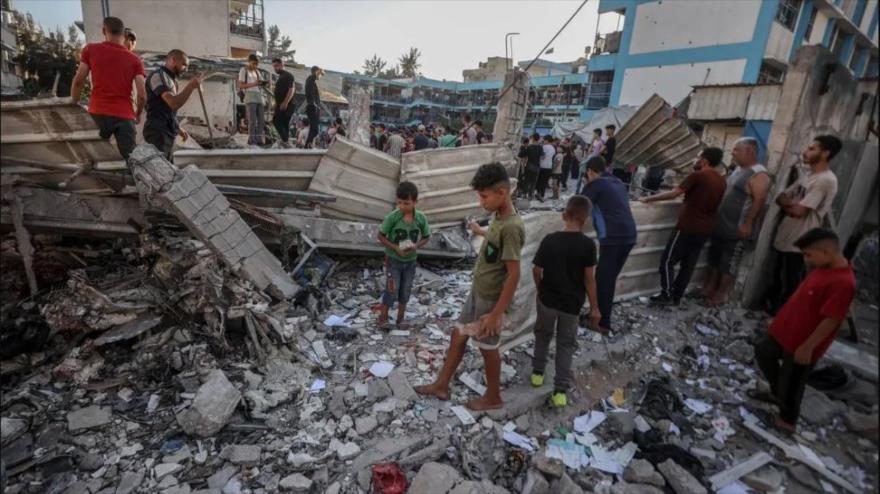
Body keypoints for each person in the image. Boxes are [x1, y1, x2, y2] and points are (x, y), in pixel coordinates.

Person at [415, 163, 524, 411]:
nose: (481, 201)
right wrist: (480, 231)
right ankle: (441, 384)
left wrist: (496, 314)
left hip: (490, 301)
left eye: (484, 196)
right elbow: (496, 243)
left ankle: (493, 397)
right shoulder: (499, 217)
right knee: (458, 335)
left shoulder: (512, 228)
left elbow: (514, 274)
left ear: (502, 193)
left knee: (487, 348)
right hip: (478, 292)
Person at [753, 228, 855, 434]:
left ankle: (786, 421)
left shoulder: (844, 283)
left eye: (809, 255)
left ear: (826, 252)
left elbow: (832, 319)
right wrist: (778, 321)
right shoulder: (822, 268)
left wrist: (808, 346)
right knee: (764, 352)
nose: (807, 260)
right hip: (784, 330)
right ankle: (776, 393)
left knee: (793, 382)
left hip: (803, 342)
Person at [530, 195, 599, 408]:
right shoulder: (588, 245)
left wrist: (540, 288)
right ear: (585, 219)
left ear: (564, 215)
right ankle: (560, 391)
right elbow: (589, 279)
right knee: (566, 344)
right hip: (572, 304)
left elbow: (536, 269)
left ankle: (537, 374)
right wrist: (595, 308)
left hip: (547, 299)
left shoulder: (550, 240)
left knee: (542, 335)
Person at [640, 147, 727, 305]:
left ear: (704, 160)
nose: (695, 160)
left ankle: (666, 294)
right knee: (689, 264)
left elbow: (674, 194)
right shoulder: (721, 180)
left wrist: (649, 199)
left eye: (698, 157)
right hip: (706, 228)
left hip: (688, 226)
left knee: (667, 261)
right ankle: (676, 297)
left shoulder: (697, 176)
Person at [769, 135, 841, 313]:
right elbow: (780, 197)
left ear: (825, 153)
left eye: (811, 149)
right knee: (778, 280)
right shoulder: (808, 175)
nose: (805, 152)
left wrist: (791, 205)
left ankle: (782, 323)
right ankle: (773, 318)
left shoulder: (825, 180)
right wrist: (791, 205)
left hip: (800, 242)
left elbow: (800, 212)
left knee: (791, 285)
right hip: (786, 236)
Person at [70, 16, 145, 167]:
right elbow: (142, 95)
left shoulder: (91, 50)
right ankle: (134, 188)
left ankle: (99, 187)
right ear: (123, 34)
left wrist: (74, 103)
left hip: (98, 113)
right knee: (131, 160)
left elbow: (78, 81)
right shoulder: (135, 60)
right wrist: (138, 113)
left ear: (104, 30)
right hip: (125, 116)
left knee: (93, 158)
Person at [704, 138, 771, 306]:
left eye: (736, 150)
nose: (732, 153)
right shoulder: (738, 170)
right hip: (722, 225)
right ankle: (708, 289)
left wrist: (747, 224)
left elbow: (759, 200)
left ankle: (720, 295)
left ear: (749, 151)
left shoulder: (759, 174)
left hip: (737, 229)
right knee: (714, 258)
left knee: (728, 263)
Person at [580, 156, 637, 333]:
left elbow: (578, 206)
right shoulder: (618, 182)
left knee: (603, 280)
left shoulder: (595, 184)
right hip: (629, 235)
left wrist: (586, 185)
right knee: (608, 278)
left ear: (590, 172)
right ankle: (597, 315)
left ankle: (602, 323)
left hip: (612, 237)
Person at [377, 181, 431, 325]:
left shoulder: (420, 218)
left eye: (406, 203)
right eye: (399, 203)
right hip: (393, 259)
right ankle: (383, 317)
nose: (402, 207)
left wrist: (416, 246)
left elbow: (426, 237)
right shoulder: (393, 217)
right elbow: (381, 236)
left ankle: (400, 318)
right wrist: (395, 247)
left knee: (405, 289)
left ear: (415, 202)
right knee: (391, 289)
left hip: (410, 261)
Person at [143, 50, 201, 161]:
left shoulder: (171, 80)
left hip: (167, 132)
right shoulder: (158, 76)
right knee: (159, 171)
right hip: (158, 132)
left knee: (166, 169)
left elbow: (167, 110)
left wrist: (177, 127)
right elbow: (173, 103)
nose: (186, 69)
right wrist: (190, 87)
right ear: (173, 60)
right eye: (184, 65)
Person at [238, 54, 267, 146]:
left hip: (259, 96)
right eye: (254, 63)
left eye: (257, 64)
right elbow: (241, 85)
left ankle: (259, 139)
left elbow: (261, 83)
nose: (255, 66)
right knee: (252, 120)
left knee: (261, 120)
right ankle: (252, 139)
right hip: (250, 95)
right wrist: (254, 84)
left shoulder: (257, 72)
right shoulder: (244, 70)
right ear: (249, 61)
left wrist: (264, 83)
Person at [271, 58, 295, 148]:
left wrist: (285, 102)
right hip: (281, 104)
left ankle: (285, 141)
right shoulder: (281, 77)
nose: (275, 68)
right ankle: (286, 141)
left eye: (276, 66)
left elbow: (291, 89)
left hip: (286, 105)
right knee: (284, 124)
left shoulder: (288, 75)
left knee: (276, 121)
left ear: (282, 65)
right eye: (274, 67)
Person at [517, 133, 543, 200]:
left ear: (533, 138)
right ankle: (530, 195)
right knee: (533, 182)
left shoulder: (529, 147)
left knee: (527, 181)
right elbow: (542, 157)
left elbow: (520, 155)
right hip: (537, 166)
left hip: (529, 166)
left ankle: (525, 194)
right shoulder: (540, 147)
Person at [305, 66, 323, 148]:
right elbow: (318, 73)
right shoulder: (310, 79)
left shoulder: (312, 82)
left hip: (313, 107)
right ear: (315, 72)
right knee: (315, 130)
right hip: (312, 107)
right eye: (319, 74)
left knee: (313, 128)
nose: (320, 76)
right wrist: (321, 71)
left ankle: (308, 145)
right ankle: (307, 143)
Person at [536, 135, 556, 201]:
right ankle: (542, 194)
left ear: (547, 140)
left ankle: (538, 193)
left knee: (540, 181)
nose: (543, 141)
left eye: (544, 140)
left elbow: (542, 156)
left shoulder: (544, 147)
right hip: (549, 167)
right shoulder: (553, 148)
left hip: (542, 166)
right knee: (545, 181)